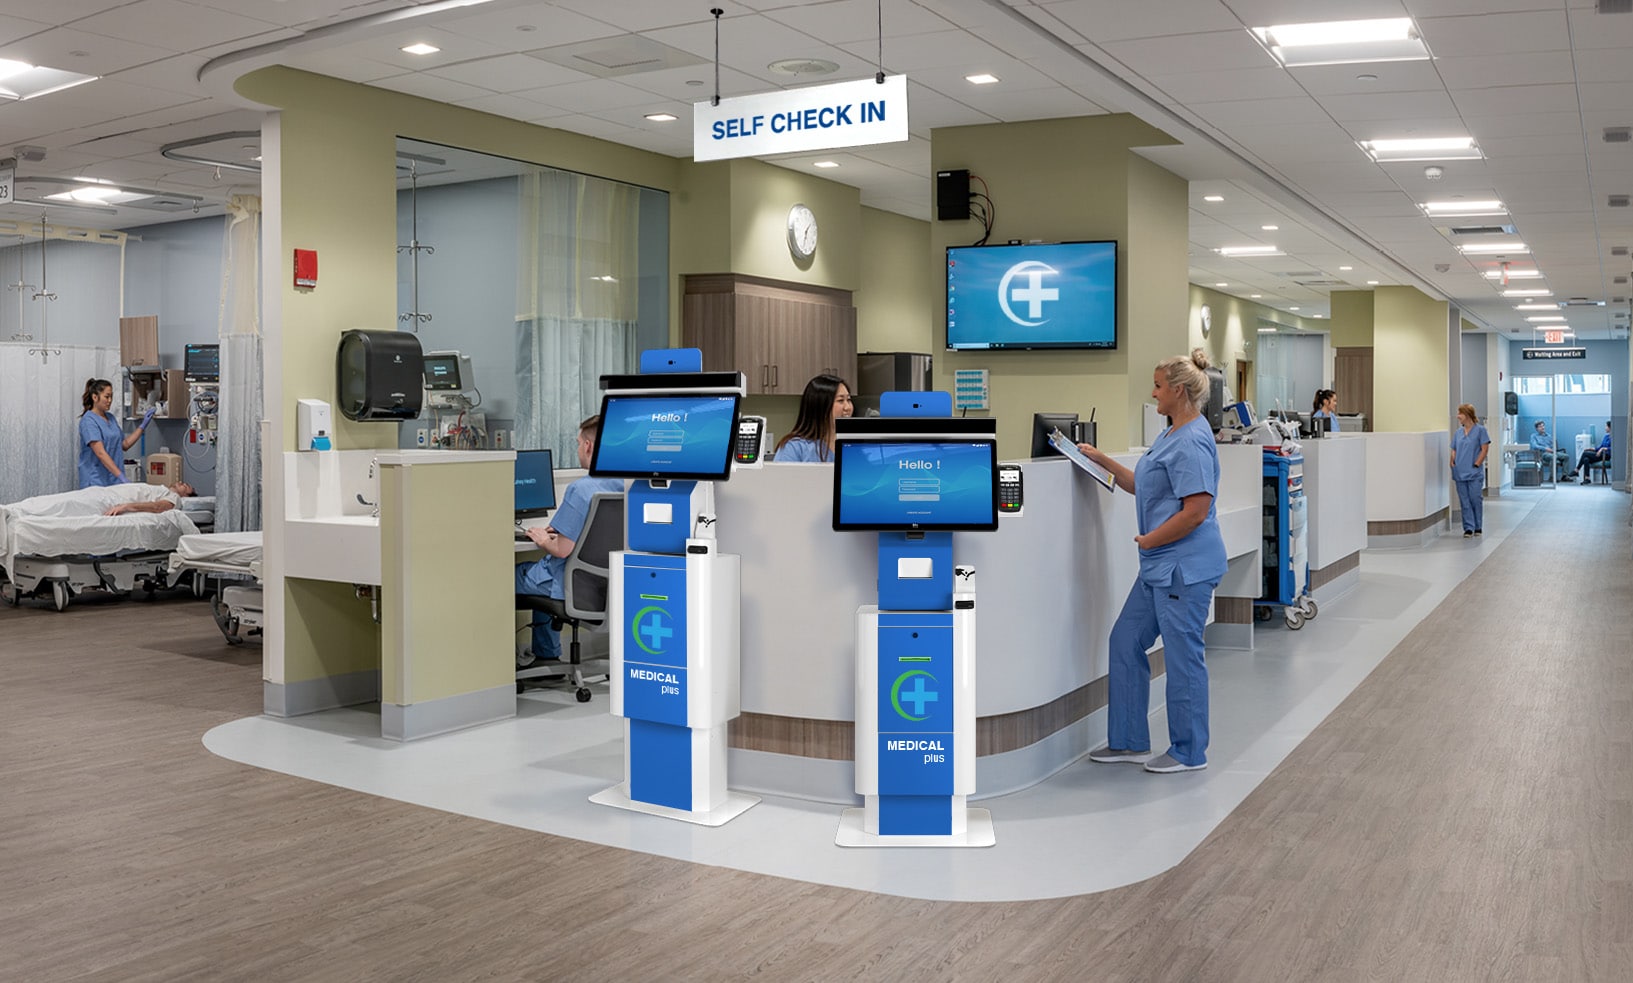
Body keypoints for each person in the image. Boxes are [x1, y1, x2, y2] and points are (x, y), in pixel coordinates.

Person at [1079, 349, 1227, 774]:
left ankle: (1188, 751)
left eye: (1159, 386)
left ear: (1178, 391)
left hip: (1184, 567)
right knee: (1124, 641)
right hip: (1159, 565)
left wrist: (1148, 540)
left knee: (1183, 657)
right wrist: (1099, 459)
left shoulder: (1193, 440)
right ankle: (1128, 741)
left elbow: (1196, 509)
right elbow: (1144, 487)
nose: (1153, 392)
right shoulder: (1169, 435)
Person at [514, 415, 624, 667]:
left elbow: (562, 550)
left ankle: (521, 664)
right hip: (605, 585)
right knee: (541, 569)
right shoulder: (627, 485)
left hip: (570, 585)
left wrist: (543, 538)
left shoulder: (580, 489)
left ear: (588, 446)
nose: (577, 449)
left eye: (578, 443)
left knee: (515, 574)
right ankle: (546, 654)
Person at [79, 378, 156, 488]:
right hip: (95, 481)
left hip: (113, 480)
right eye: (106, 396)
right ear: (95, 397)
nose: (110, 400)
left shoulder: (110, 418)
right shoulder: (88, 421)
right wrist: (121, 477)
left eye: (111, 396)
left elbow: (124, 445)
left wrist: (143, 426)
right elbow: (100, 453)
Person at [771, 374, 854, 462]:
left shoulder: (854, 445)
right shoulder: (794, 448)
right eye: (840, 400)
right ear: (820, 406)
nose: (847, 407)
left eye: (848, 400)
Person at [1449, 404, 1489, 537]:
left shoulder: (1480, 430)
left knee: (1475, 499)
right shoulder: (1458, 432)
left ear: (1467, 415)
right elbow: (1454, 448)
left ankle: (1478, 526)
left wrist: (1477, 464)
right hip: (1459, 471)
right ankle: (1468, 528)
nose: (1457, 416)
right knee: (1464, 501)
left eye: (1460, 413)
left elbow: (1484, 449)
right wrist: (1452, 461)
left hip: (1474, 472)